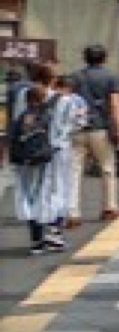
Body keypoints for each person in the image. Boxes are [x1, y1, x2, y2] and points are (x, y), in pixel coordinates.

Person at [10, 64, 74, 255]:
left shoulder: (23, 95)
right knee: (56, 192)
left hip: (27, 152)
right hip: (54, 153)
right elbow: (70, 126)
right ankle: (54, 236)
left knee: (30, 194)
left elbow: (16, 122)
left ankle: (36, 240)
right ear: (53, 79)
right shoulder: (64, 100)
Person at [68, 45, 119, 228]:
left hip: (77, 129)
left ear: (85, 58)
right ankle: (109, 207)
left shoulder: (75, 77)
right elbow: (116, 106)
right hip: (100, 128)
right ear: (104, 58)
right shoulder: (111, 77)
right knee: (107, 168)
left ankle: (73, 212)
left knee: (74, 171)